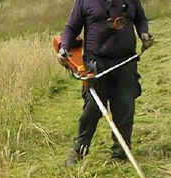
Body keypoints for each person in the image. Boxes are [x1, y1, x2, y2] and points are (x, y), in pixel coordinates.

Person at [57, 0, 154, 167]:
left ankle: (121, 154)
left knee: (125, 106)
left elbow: (140, 19)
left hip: (125, 62)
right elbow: (72, 28)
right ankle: (79, 150)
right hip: (96, 64)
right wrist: (63, 48)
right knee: (92, 107)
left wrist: (144, 33)